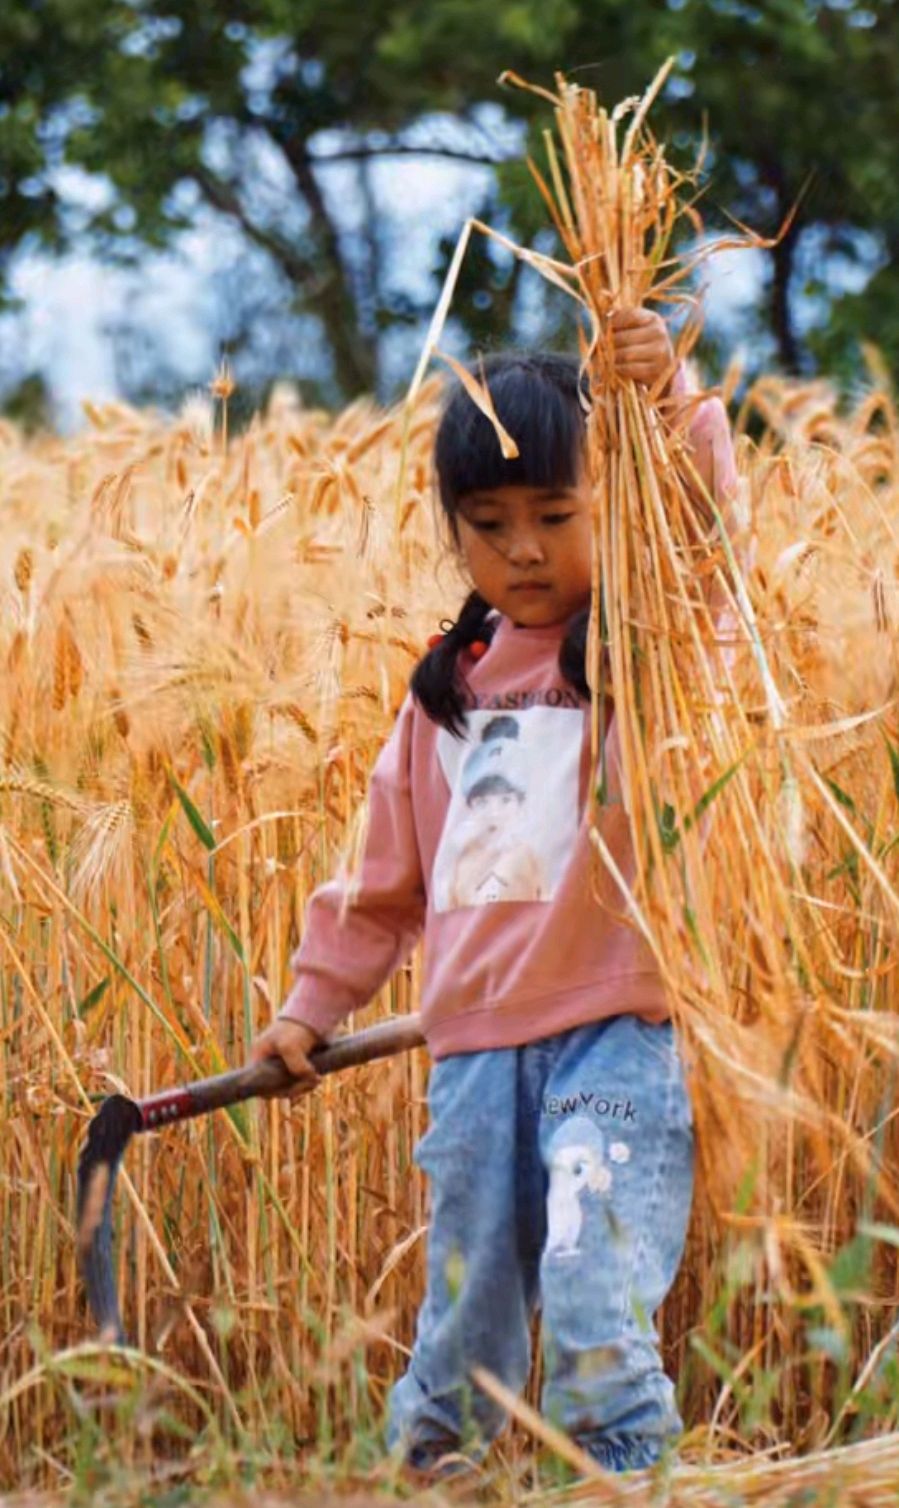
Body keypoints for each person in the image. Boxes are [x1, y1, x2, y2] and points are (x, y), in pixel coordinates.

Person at [249, 309, 746, 1480]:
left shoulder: (636, 655)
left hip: (609, 1044)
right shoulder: (442, 699)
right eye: (489, 526)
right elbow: (381, 882)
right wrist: (309, 1007)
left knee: (588, 1292)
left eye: (555, 518)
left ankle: (616, 1477)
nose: (523, 550)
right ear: (455, 535)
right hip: (469, 1055)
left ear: (606, 515)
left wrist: (663, 400)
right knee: (465, 1303)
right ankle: (434, 1474)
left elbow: (703, 543)